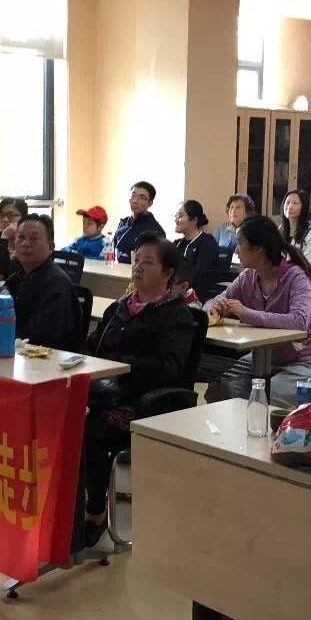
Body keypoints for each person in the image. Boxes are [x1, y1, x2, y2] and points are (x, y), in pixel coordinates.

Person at [81, 233, 195, 547]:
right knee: (58, 418)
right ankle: (67, 504)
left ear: (168, 273)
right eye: (136, 260)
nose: (138, 267)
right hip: (103, 391)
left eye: (148, 262)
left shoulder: (176, 314)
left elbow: (167, 367)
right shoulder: (120, 307)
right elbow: (93, 346)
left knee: (89, 432)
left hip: (139, 401)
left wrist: (119, 364)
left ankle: (95, 512)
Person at [206, 215, 311, 408]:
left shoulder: (296, 277)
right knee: (220, 387)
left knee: (263, 397)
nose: (236, 249)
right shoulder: (248, 277)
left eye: (240, 243)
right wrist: (215, 306)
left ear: (258, 249)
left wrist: (245, 313)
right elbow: (211, 302)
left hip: (306, 364)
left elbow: (299, 321)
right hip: (262, 359)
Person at [4, 214, 81, 351]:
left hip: (47, 356)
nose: (25, 244)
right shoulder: (14, 279)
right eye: (21, 237)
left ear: (50, 247)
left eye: (34, 239)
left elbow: (46, 337)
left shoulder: (57, 284)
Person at [113, 180, 166, 263]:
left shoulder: (155, 230)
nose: (135, 201)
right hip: (117, 268)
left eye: (142, 198)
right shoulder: (123, 223)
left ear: (150, 203)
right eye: (133, 195)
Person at [279, 189, 311, 274]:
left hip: (303, 278)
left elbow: (309, 264)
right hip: (282, 276)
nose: (290, 207)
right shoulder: (281, 229)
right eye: (287, 202)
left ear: (304, 207)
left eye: (295, 203)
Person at [173, 199, 219, 275]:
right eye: (176, 216)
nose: (176, 220)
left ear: (194, 220)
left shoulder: (207, 242)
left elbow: (200, 273)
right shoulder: (177, 243)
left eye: (180, 216)